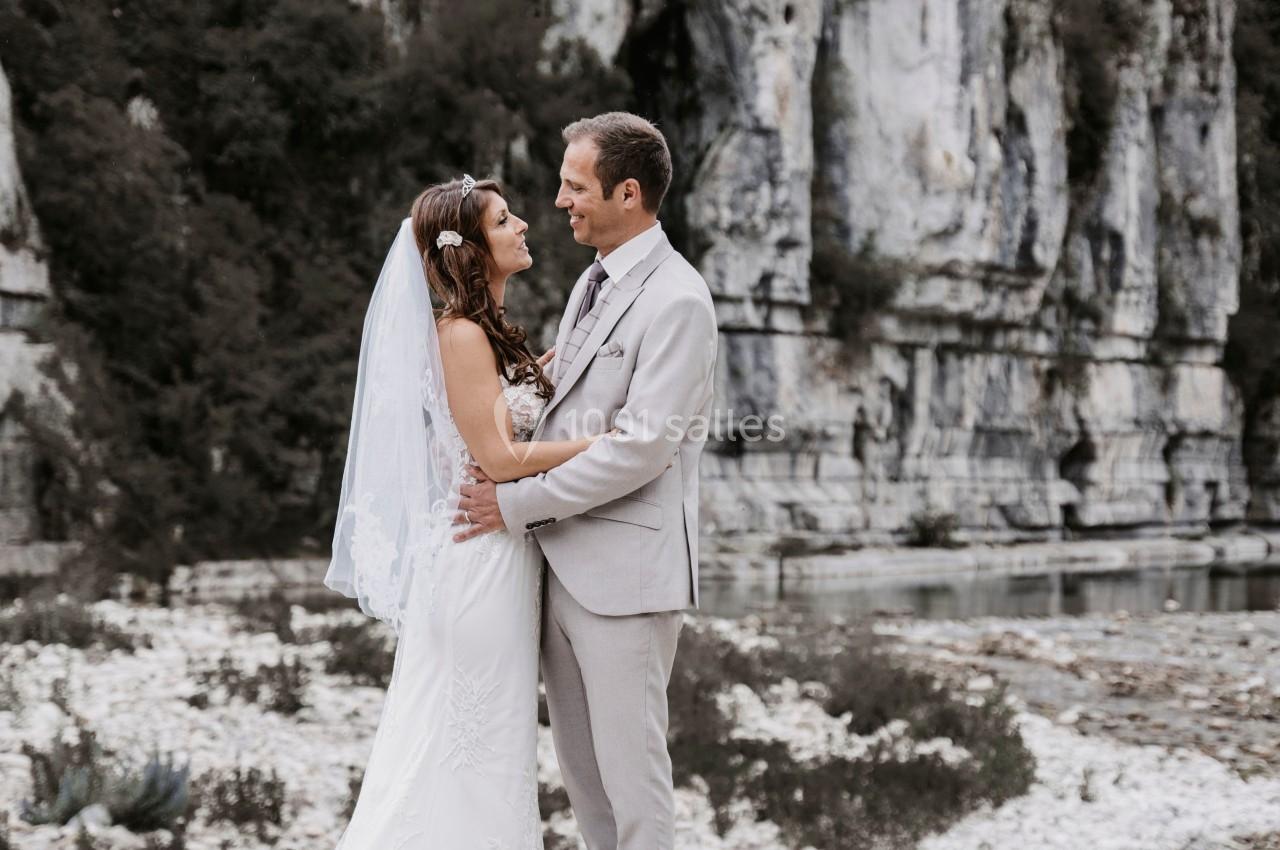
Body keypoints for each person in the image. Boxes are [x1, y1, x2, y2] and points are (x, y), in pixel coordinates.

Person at [454, 112, 719, 850]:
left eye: (576, 186)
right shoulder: (590, 282)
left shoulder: (679, 301)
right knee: (586, 786)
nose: (561, 200)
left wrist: (514, 504)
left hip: (626, 585)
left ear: (627, 192)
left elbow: (640, 450)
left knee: (634, 790)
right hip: (559, 570)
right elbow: (558, 399)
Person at [325, 173, 607, 848]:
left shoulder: (484, 334)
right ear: (473, 250)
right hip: (477, 564)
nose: (524, 226)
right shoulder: (460, 336)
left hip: (500, 562)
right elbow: (502, 458)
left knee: (489, 749)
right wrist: (605, 446)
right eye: (505, 220)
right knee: (463, 753)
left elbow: (506, 416)